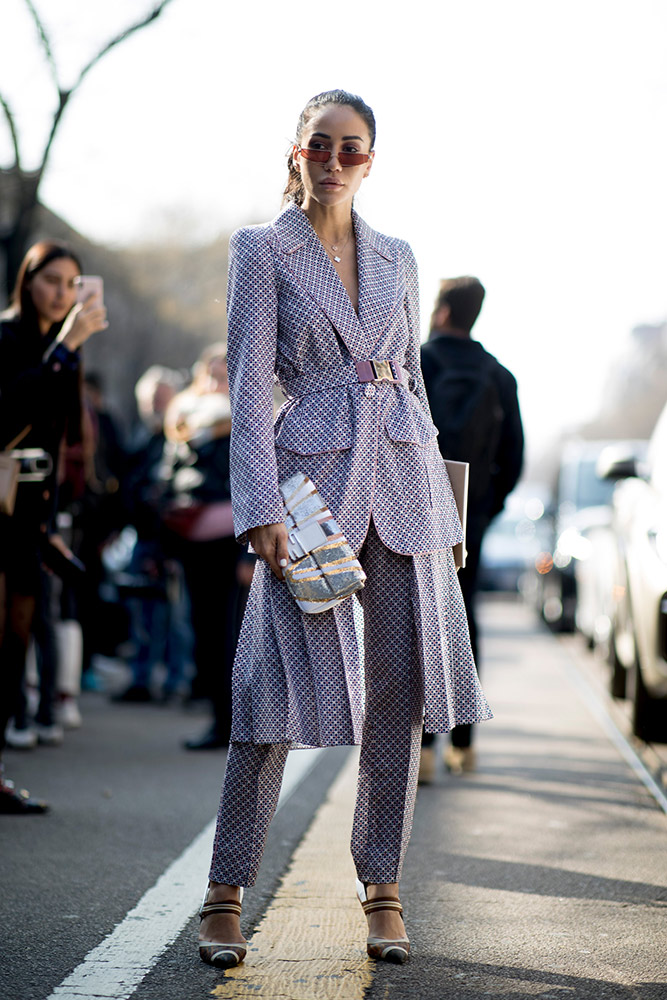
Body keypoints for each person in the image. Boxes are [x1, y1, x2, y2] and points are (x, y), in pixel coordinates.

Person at [197, 90, 491, 969]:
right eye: (319, 145)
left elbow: (413, 385)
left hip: (403, 482)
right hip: (310, 485)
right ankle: (224, 891)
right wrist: (257, 508)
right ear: (295, 152)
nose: (333, 160)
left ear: (371, 161)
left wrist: (449, 514)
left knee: (397, 695)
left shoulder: (397, 255)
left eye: (351, 149)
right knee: (268, 687)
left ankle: (383, 887)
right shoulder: (262, 249)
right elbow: (249, 390)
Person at [0, 239, 107, 813]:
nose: (61, 293)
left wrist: (56, 518)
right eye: (50, 281)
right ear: (27, 280)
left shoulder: (66, 347)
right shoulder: (10, 336)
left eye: (71, 284)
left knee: (17, 641)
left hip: (32, 511)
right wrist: (64, 349)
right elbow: (11, 410)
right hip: (0, 499)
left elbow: (63, 439)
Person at [419, 277, 524, 779]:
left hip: (415, 510)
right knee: (463, 621)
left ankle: (417, 752)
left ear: (441, 314)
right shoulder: (499, 375)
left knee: (415, 623)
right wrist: (482, 507)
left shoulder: (415, 362)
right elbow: (515, 458)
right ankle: (464, 745)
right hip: (472, 517)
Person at [160, 344, 251, 748]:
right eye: (211, 372)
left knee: (232, 638)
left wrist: (249, 553)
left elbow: (260, 488)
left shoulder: (248, 420)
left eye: (225, 373)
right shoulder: (182, 422)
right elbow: (167, 475)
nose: (217, 380)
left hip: (231, 543)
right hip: (191, 540)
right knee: (204, 633)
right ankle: (220, 721)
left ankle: (236, 726)